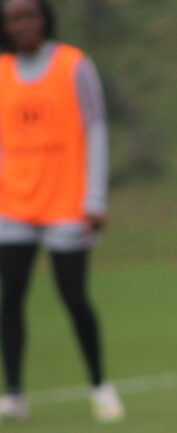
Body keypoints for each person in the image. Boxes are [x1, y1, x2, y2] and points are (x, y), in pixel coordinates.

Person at [0, 0, 123, 423]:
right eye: (14, 18)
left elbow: (95, 127)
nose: (22, 24)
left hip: (66, 204)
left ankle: (100, 387)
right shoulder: (1, 71)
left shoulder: (73, 65)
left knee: (74, 298)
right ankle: (13, 393)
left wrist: (95, 197)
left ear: (44, 18)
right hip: (12, 205)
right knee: (10, 298)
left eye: (29, 15)